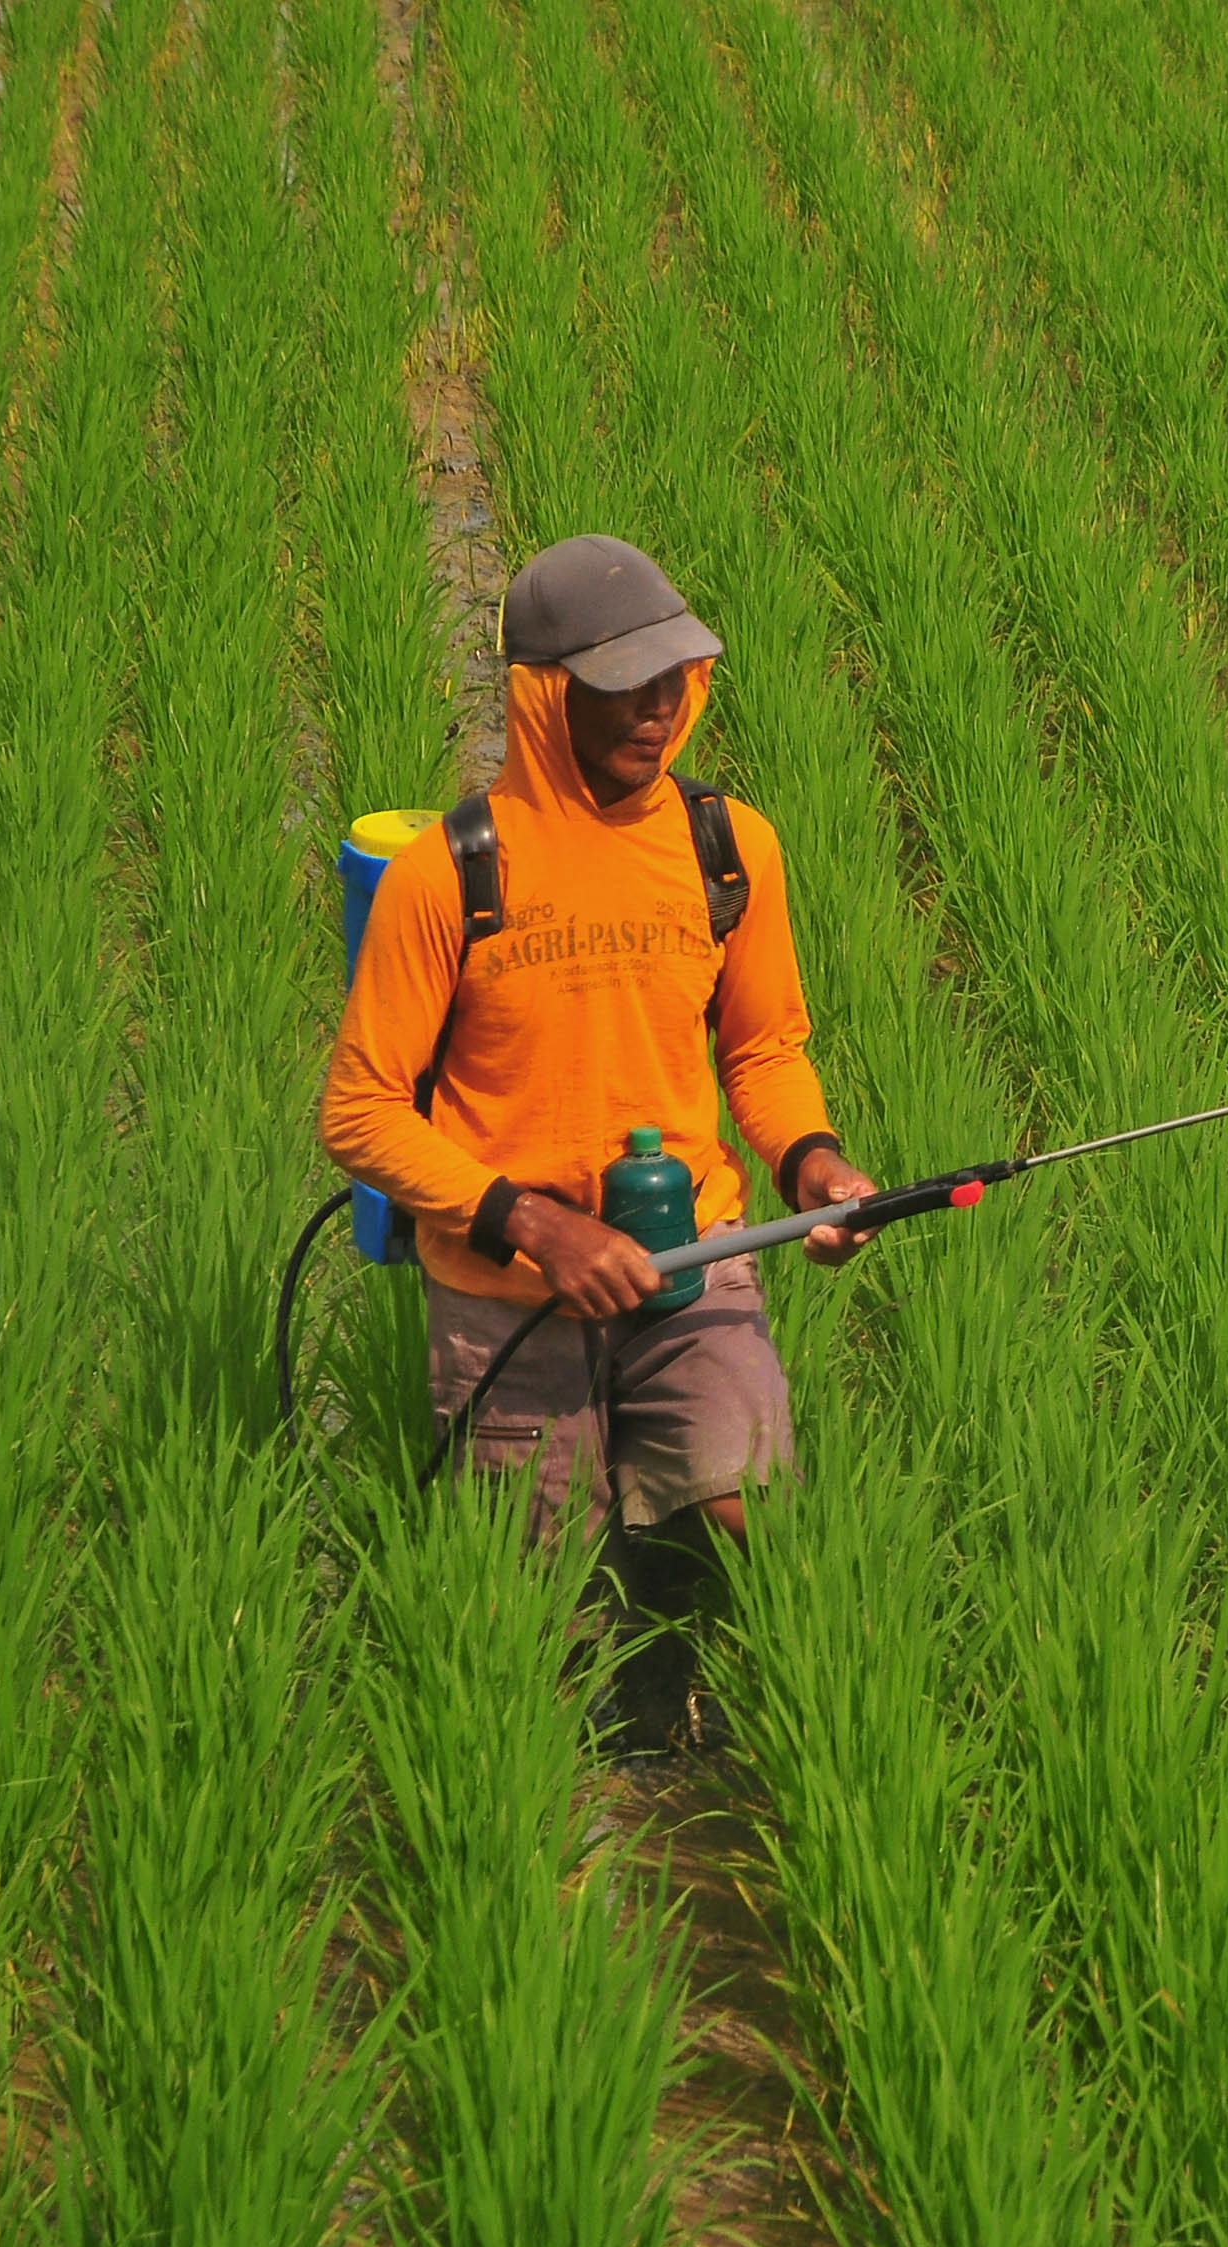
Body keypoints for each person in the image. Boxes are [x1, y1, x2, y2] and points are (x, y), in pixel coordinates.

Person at [318, 534, 873, 1558]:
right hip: (509, 1290)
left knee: (759, 1527)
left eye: (671, 677)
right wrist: (536, 1224)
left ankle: (726, 1701)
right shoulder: (446, 877)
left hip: (693, 1254)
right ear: (543, 697)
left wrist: (814, 1165)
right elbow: (360, 1112)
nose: (656, 707)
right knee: (533, 1613)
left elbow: (762, 1053)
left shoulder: (728, 847)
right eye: (621, 685)